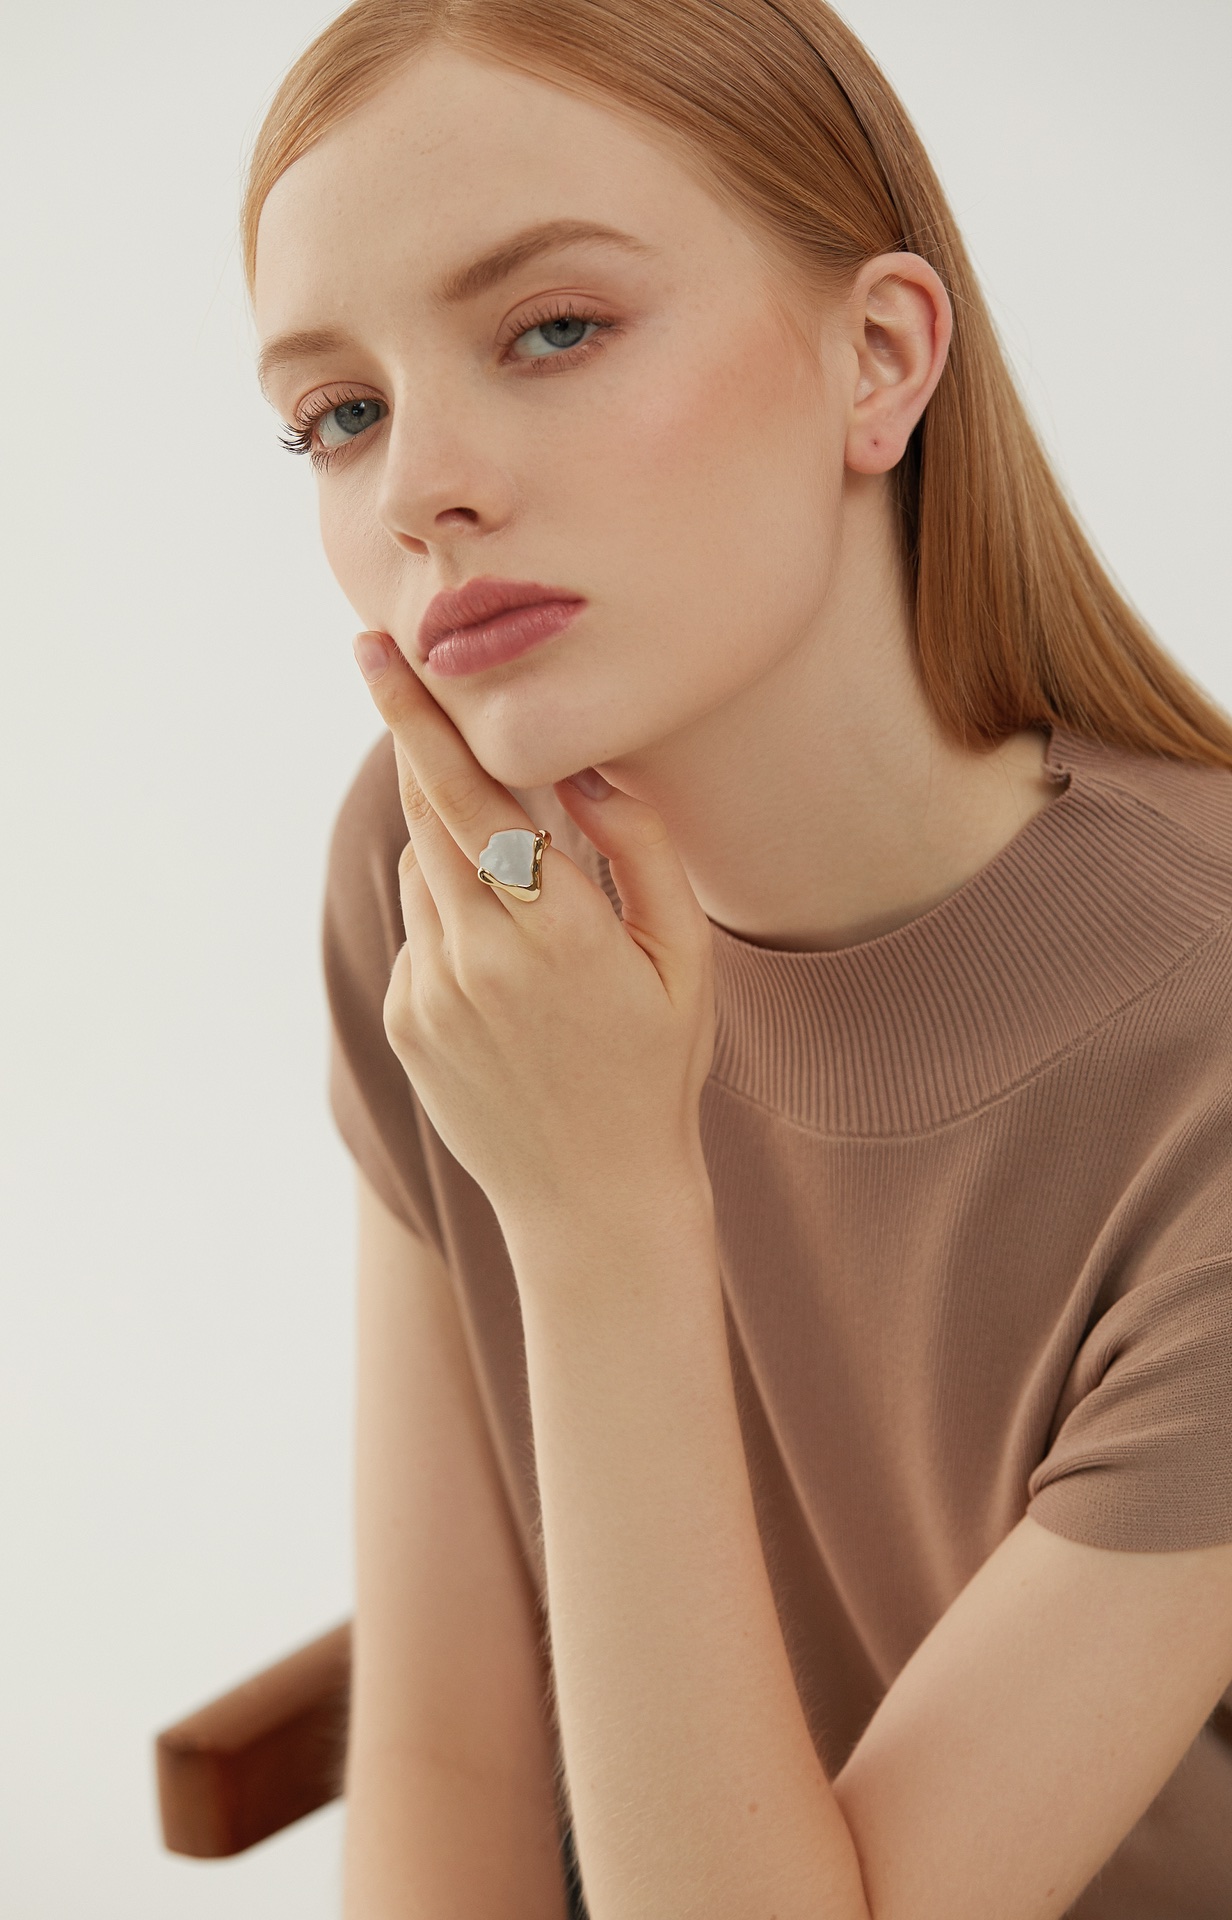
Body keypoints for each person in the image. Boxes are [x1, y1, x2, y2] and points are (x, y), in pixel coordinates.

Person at [242, 3, 1232, 1914]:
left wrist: (602, 1210)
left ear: (881, 361)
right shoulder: (447, 878)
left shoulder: (1200, 1053)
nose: (419, 485)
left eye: (553, 329)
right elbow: (453, 1764)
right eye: (339, 415)